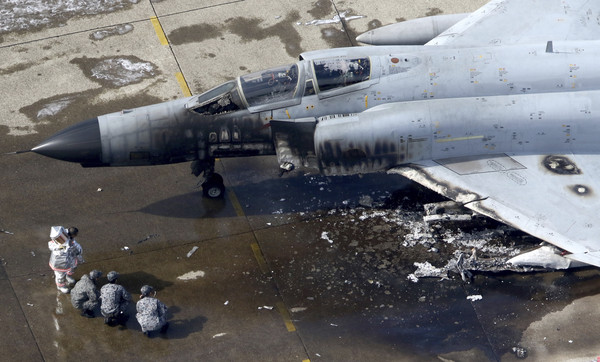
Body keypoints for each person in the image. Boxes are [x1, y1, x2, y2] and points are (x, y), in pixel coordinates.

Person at [48, 226, 84, 293]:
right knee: (60, 275)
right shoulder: (58, 243)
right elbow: (54, 247)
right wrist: (64, 248)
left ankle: (68, 276)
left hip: (69, 259)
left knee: (72, 268)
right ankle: (60, 286)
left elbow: (77, 250)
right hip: (60, 262)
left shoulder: (67, 236)